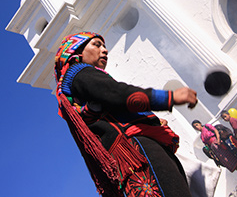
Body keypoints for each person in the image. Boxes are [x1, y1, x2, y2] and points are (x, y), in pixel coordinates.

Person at [54, 31, 198, 197]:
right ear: (76, 52)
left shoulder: (76, 88)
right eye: (96, 45)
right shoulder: (78, 73)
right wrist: (167, 98)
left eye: (104, 46)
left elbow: (111, 105)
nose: (104, 50)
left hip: (126, 159)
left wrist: (150, 121)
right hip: (135, 152)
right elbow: (116, 93)